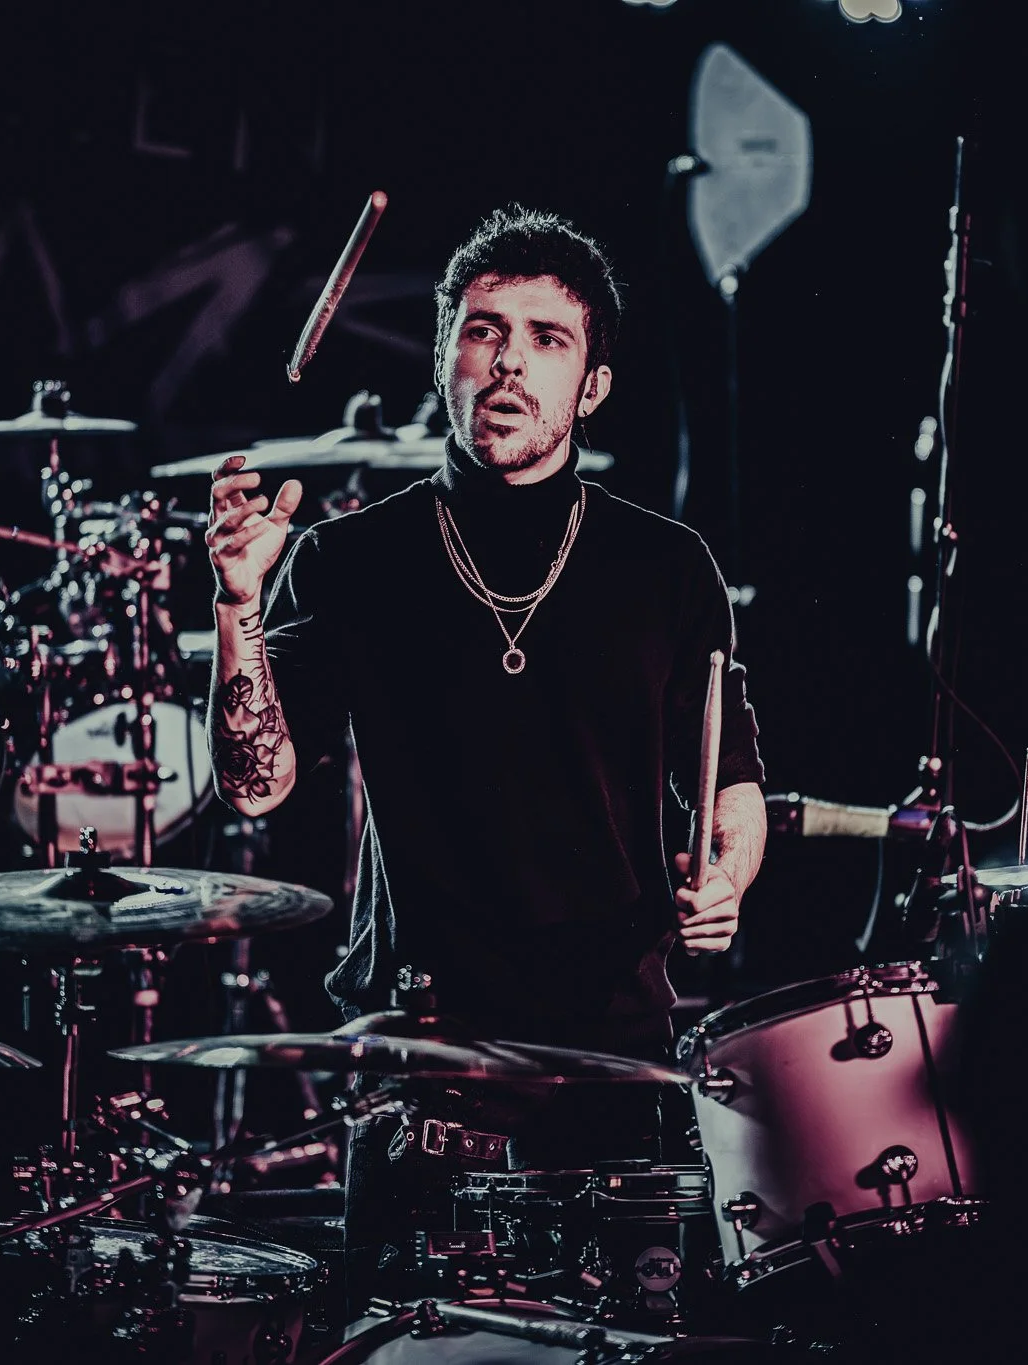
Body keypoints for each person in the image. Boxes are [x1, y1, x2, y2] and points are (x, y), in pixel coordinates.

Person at [202, 205, 765, 1311]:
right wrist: (236, 609)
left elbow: (729, 780)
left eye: (546, 339)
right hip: (417, 1050)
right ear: (444, 359)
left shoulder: (665, 567)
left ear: (591, 386)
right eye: (481, 330)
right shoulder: (349, 559)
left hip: (611, 1051)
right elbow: (255, 782)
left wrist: (727, 876)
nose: (507, 361)